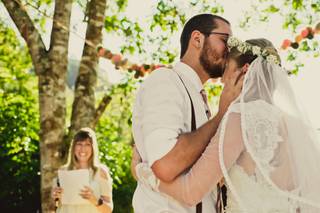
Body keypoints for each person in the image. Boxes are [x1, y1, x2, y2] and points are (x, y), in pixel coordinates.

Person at [133, 37, 320, 212]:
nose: (222, 80)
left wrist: (142, 171)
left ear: (244, 70)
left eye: (227, 69)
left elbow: (190, 192)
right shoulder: (295, 126)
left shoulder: (240, 119)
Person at [131, 13, 244, 213]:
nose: (230, 51)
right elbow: (165, 164)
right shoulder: (165, 81)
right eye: (225, 41)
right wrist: (220, 116)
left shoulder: (200, 98)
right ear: (197, 39)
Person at [52, 127, 113, 213]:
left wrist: (95, 200)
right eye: (79, 144)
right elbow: (56, 205)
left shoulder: (101, 172)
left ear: (93, 148)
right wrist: (56, 198)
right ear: (73, 147)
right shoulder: (63, 171)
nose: (83, 149)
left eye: (87, 144)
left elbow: (108, 210)